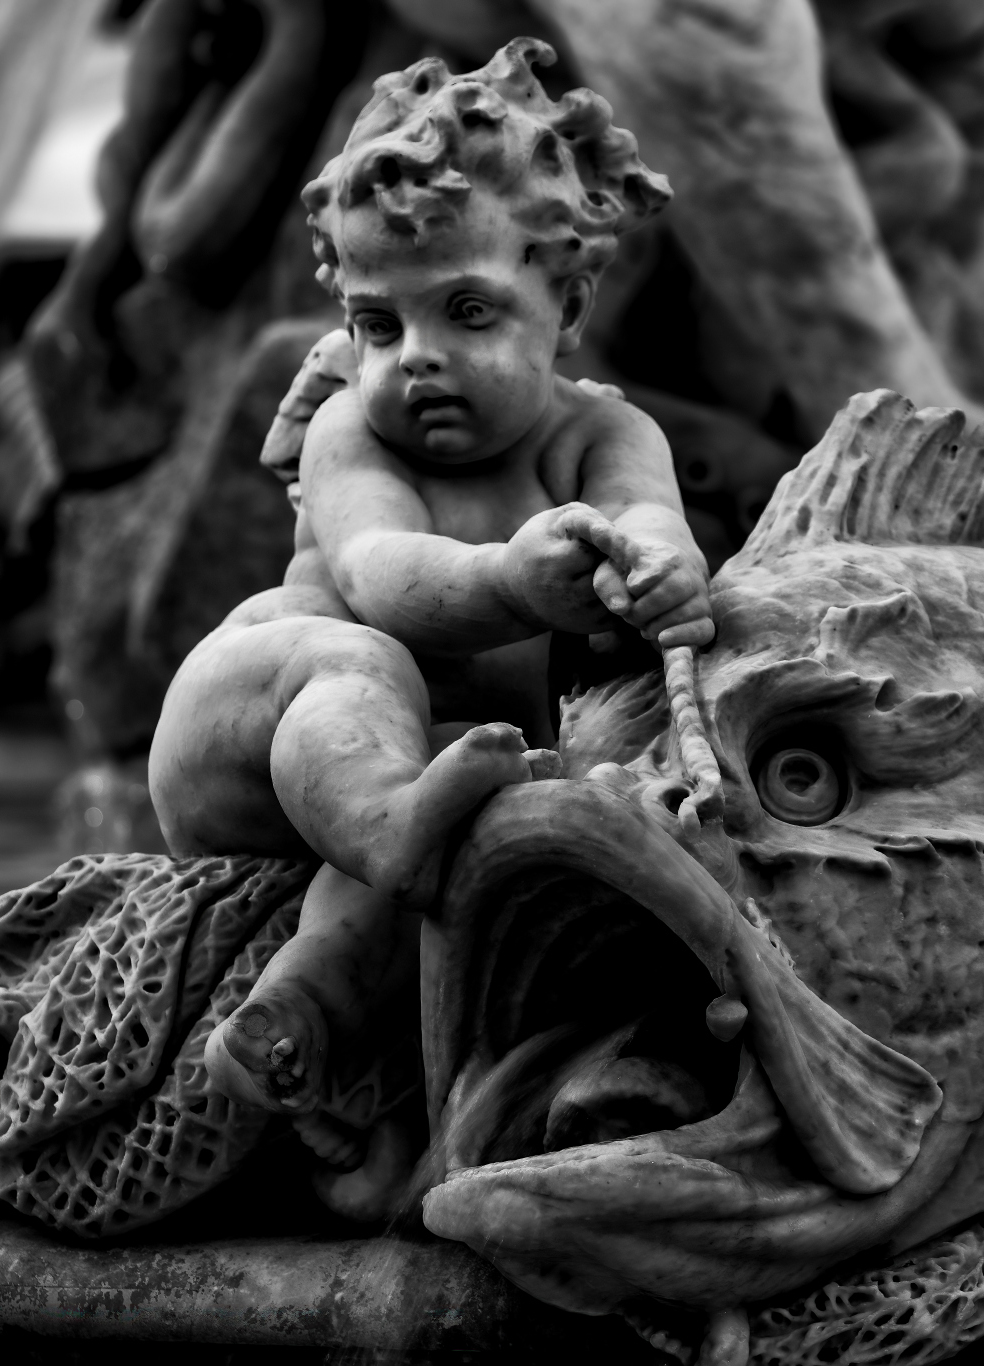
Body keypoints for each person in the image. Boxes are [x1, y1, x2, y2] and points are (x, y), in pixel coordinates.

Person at [147, 38, 710, 1117]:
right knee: (359, 660)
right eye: (376, 321)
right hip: (255, 728)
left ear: (567, 307)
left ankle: (290, 1026)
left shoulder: (604, 433)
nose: (411, 355)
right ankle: (391, 827)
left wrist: (665, 574)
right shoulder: (352, 430)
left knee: (396, 893)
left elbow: (650, 521)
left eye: (464, 312)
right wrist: (510, 580)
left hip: (406, 783)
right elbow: (380, 573)